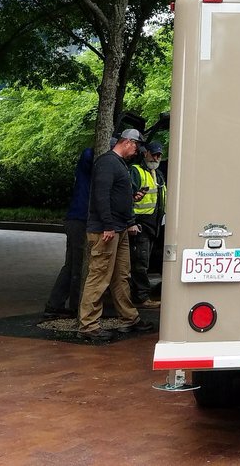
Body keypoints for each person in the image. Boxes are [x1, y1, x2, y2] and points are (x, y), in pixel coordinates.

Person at [77, 129, 156, 341]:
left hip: (118, 229)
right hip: (107, 230)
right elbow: (100, 196)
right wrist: (108, 225)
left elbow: (114, 196)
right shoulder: (107, 163)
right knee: (99, 276)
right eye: (136, 146)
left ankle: (129, 319)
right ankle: (89, 325)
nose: (137, 150)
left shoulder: (119, 164)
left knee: (121, 275)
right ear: (128, 142)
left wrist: (132, 200)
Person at [43, 145, 94, 318]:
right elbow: (88, 154)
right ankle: (75, 306)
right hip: (80, 219)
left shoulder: (87, 165)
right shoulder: (90, 159)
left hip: (76, 218)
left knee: (72, 264)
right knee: (78, 264)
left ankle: (55, 303)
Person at [128, 140, 166, 309]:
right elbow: (127, 198)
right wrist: (131, 222)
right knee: (140, 263)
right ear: (146, 153)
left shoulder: (158, 174)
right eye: (154, 154)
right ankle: (141, 297)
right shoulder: (136, 171)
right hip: (140, 225)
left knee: (144, 261)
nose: (157, 157)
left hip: (154, 226)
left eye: (159, 155)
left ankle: (141, 294)